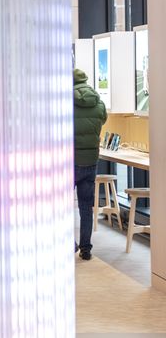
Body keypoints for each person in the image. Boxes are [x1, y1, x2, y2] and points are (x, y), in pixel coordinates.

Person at [73, 67, 107, 261]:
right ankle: (86, 249)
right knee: (86, 207)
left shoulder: (66, 101)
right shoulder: (98, 103)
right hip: (91, 161)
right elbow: (102, 120)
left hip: (70, 161)